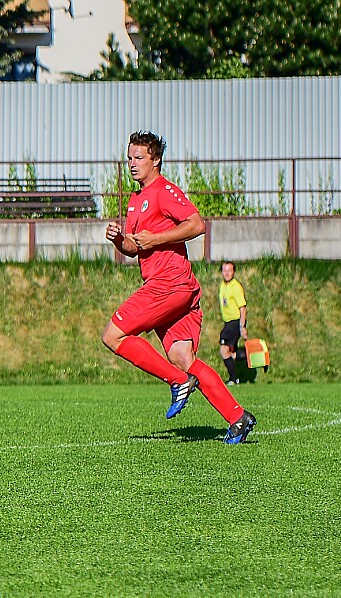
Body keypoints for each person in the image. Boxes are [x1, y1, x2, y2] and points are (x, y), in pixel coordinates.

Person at [101, 131, 256, 444]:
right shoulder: (135, 201)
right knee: (183, 357)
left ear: (155, 160)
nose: (132, 164)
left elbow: (197, 224)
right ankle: (238, 417)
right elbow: (135, 248)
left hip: (170, 284)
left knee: (113, 335)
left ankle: (177, 382)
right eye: (129, 157)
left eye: (139, 158)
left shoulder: (164, 191)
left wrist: (157, 239)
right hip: (171, 287)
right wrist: (120, 239)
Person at [218, 261, 248, 385]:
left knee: (224, 350)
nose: (227, 273)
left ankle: (233, 379)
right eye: (225, 270)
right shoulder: (223, 285)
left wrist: (242, 326)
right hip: (227, 322)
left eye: (229, 271)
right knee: (229, 353)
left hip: (234, 322)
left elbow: (243, 307)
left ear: (234, 272)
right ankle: (246, 355)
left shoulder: (236, 286)